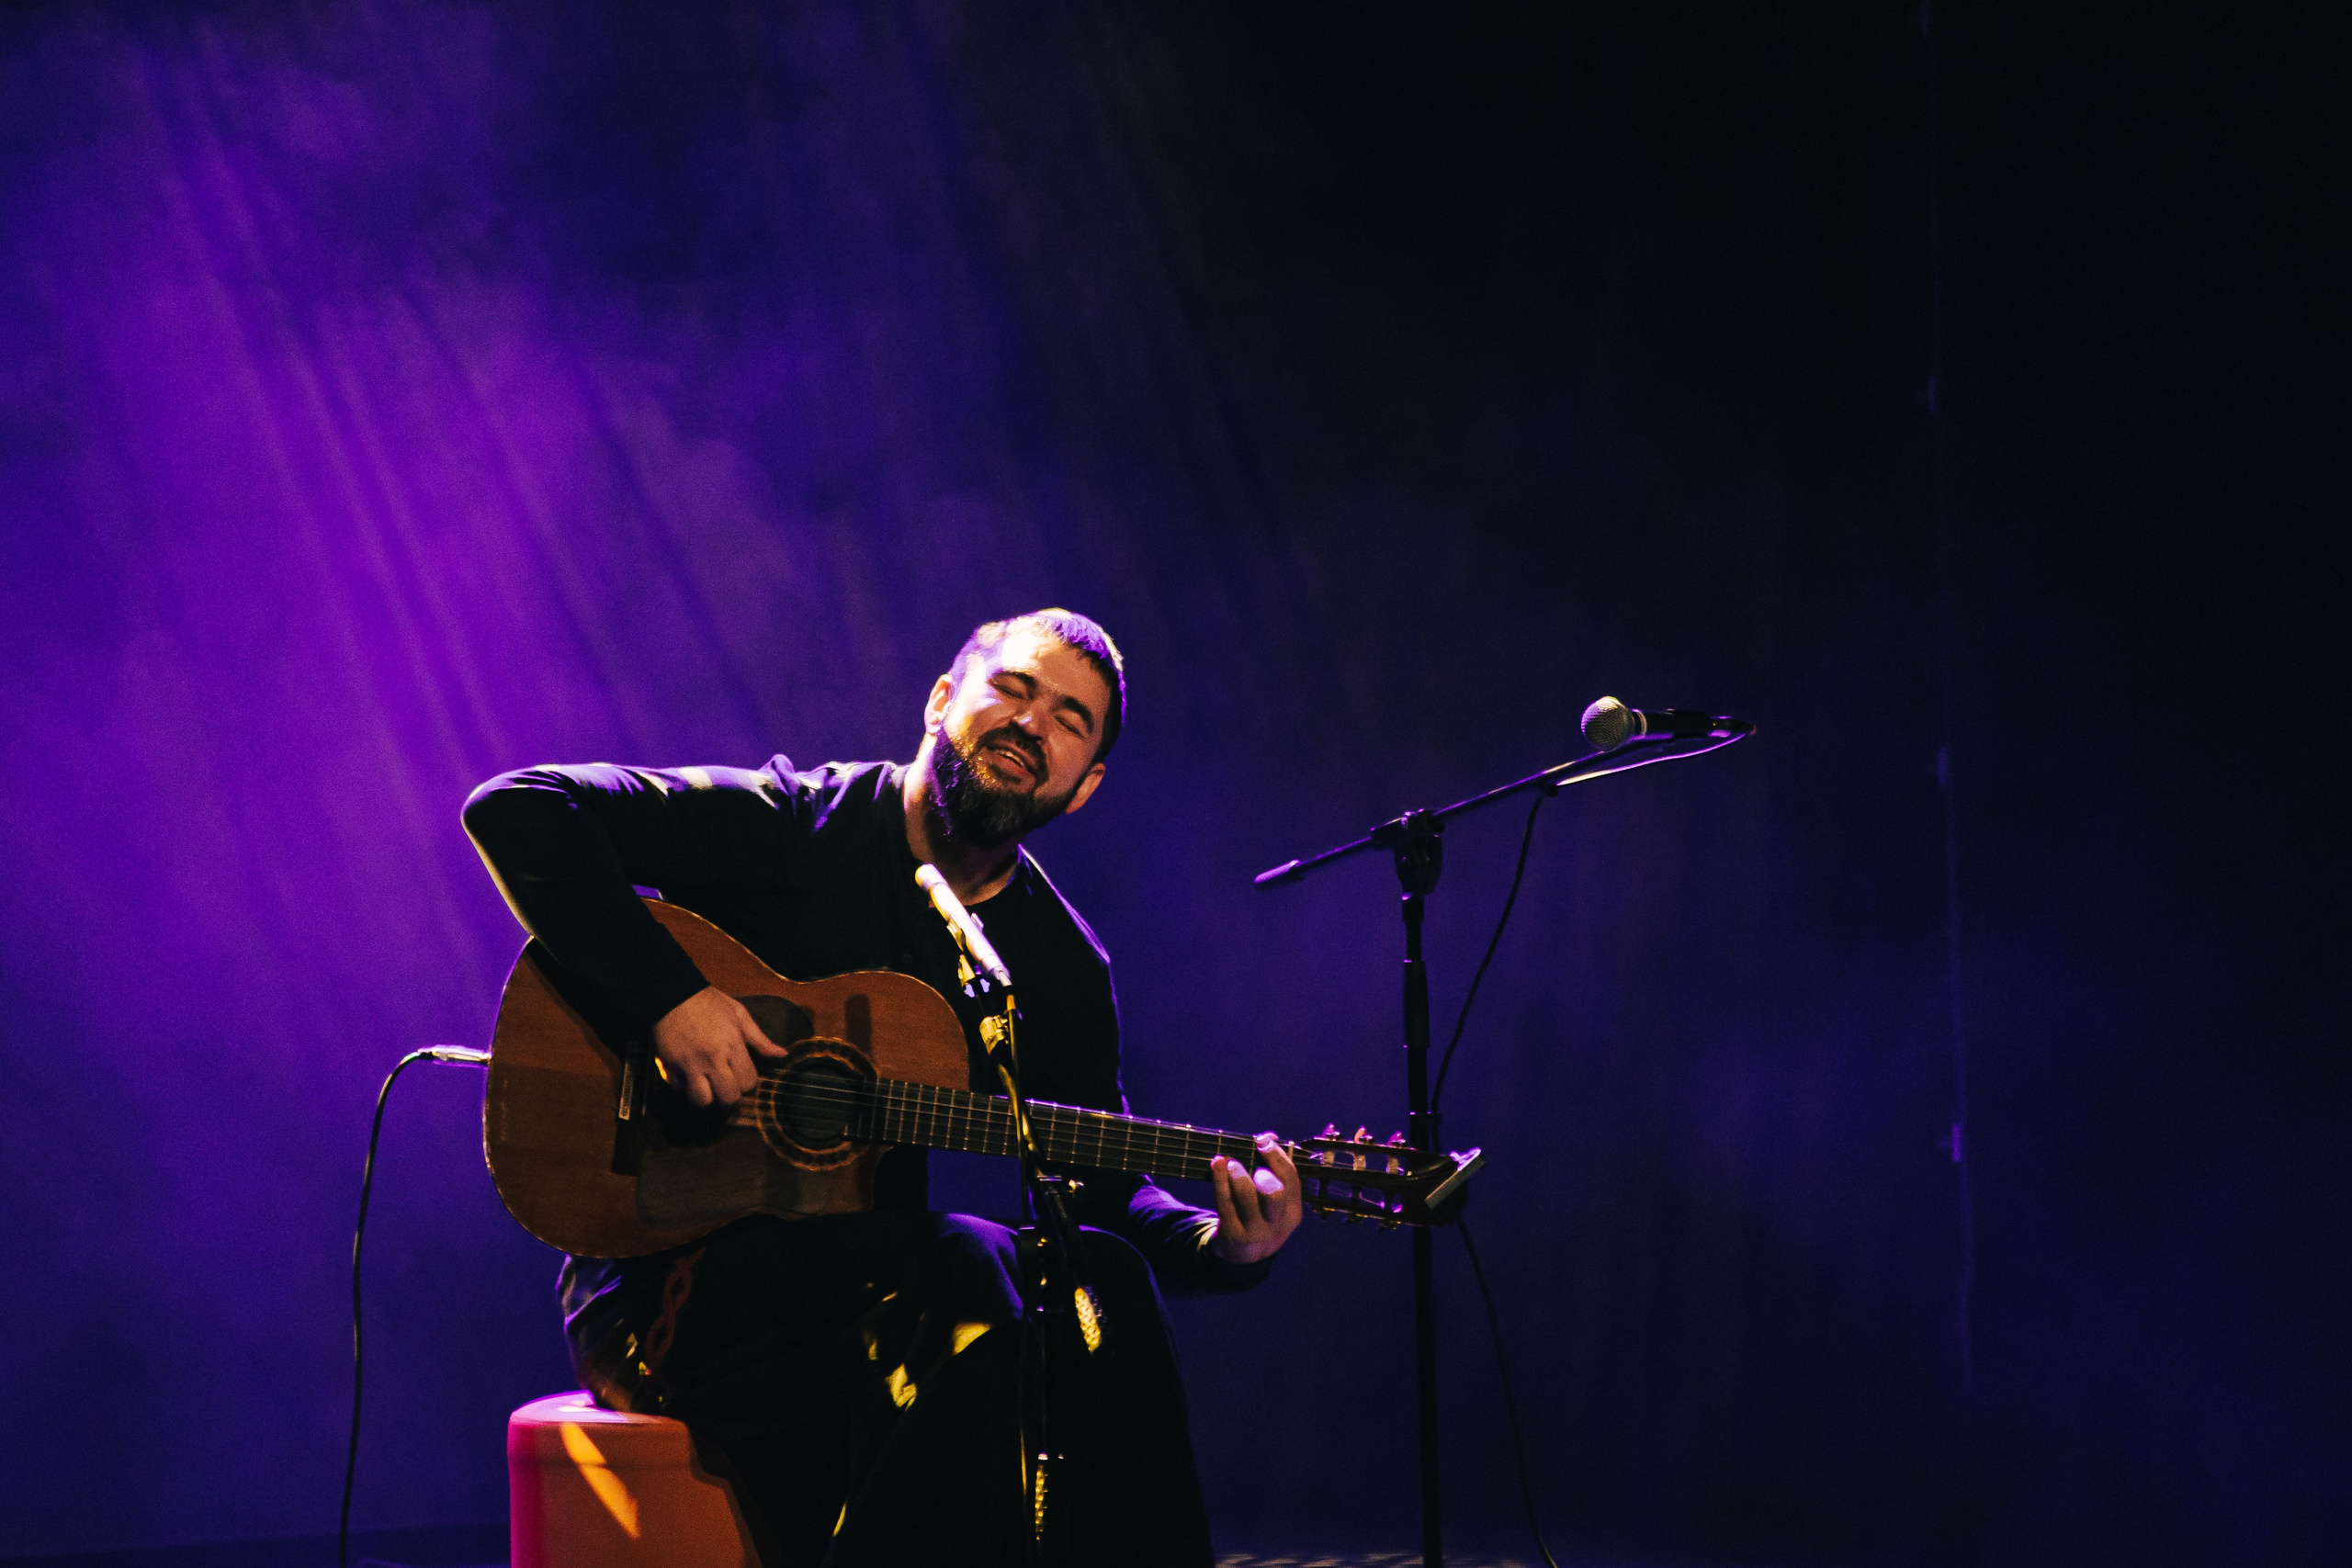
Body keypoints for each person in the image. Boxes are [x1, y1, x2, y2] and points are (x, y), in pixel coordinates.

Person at [462, 608, 1303, 1567]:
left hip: (878, 1302)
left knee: (1100, 1278)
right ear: (945, 700)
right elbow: (518, 807)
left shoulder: (1059, 966)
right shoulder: (796, 826)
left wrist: (1220, 1243)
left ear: (1084, 787)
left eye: (1070, 721)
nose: (1032, 725)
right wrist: (670, 1001)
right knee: (972, 1274)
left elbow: (1096, 1190)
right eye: (1013, 690)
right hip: (667, 1278)